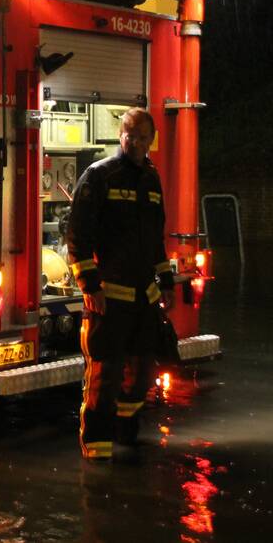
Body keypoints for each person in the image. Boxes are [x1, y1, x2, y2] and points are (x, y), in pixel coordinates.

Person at [66, 107, 175, 461]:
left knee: (142, 372)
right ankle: (97, 453)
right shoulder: (99, 176)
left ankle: (128, 436)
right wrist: (90, 287)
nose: (135, 141)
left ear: (151, 141)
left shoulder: (151, 178)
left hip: (144, 298)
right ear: (120, 135)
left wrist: (167, 281)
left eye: (142, 136)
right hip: (108, 300)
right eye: (129, 134)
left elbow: (156, 239)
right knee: (104, 376)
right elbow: (77, 236)